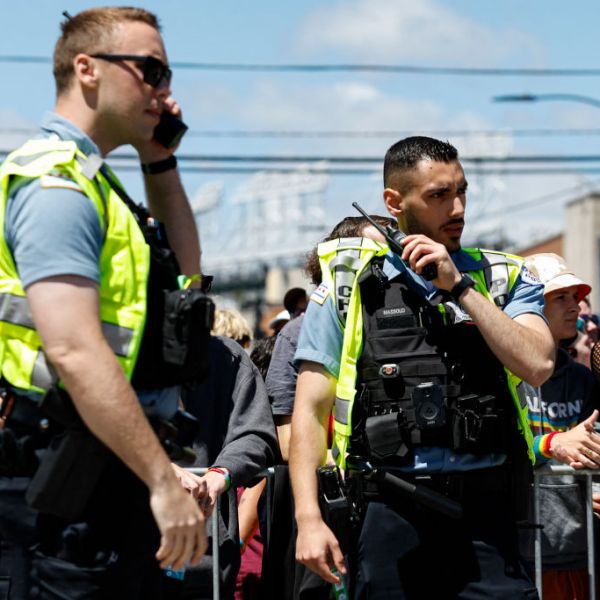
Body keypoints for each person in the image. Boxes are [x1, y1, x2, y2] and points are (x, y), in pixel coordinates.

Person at [289, 136, 555, 599]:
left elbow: (538, 364)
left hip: (486, 513)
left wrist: (462, 288)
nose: (457, 208)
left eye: (462, 191)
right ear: (394, 202)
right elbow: (310, 411)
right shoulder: (349, 283)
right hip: (388, 509)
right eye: (438, 195)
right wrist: (309, 519)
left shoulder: (503, 276)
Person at [0, 7, 206, 598]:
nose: (165, 91)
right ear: (86, 69)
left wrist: (159, 158)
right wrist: (163, 482)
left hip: (105, 474)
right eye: (151, 70)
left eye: (167, 75)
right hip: (58, 487)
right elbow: (74, 350)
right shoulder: (57, 187)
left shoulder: (98, 183)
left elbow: (188, 277)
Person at [166, 334, 278, 600]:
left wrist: (222, 472)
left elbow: (257, 433)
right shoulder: (117, 346)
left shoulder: (227, 355)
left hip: (207, 561)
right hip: (124, 554)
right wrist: (159, 469)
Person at [520, 253, 600, 600]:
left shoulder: (583, 378)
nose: (575, 306)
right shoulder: (504, 374)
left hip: (581, 551)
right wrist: (548, 444)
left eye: (576, 296)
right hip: (521, 553)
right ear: (531, 305)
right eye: (560, 297)